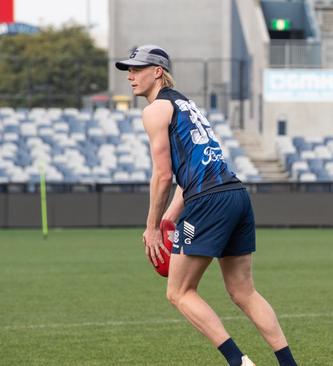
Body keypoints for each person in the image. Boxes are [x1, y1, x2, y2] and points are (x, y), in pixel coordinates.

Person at [115, 45, 297, 366]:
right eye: (128, 70)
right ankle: (288, 364)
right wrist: (171, 215)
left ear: (157, 71)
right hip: (235, 193)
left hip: (208, 201)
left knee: (179, 292)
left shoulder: (155, 110)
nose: (130, 76)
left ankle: (238, 362)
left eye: (137, 69)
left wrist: (152, 226)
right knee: (244, 292)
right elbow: (196, 168)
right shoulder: (188, 105)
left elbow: (163, 175)